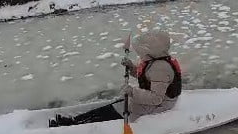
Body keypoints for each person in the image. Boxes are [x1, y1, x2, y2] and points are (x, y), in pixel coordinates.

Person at [49, 30, 182, 127]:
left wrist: (132, 92)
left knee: (117, 109)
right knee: (115, 105)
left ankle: (74, 125)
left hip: (160, 105)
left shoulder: (160, 67)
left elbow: (156, 98)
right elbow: (147, 78)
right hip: (152, 100)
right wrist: (132, 68)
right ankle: (74, 121)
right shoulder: (155, 62)